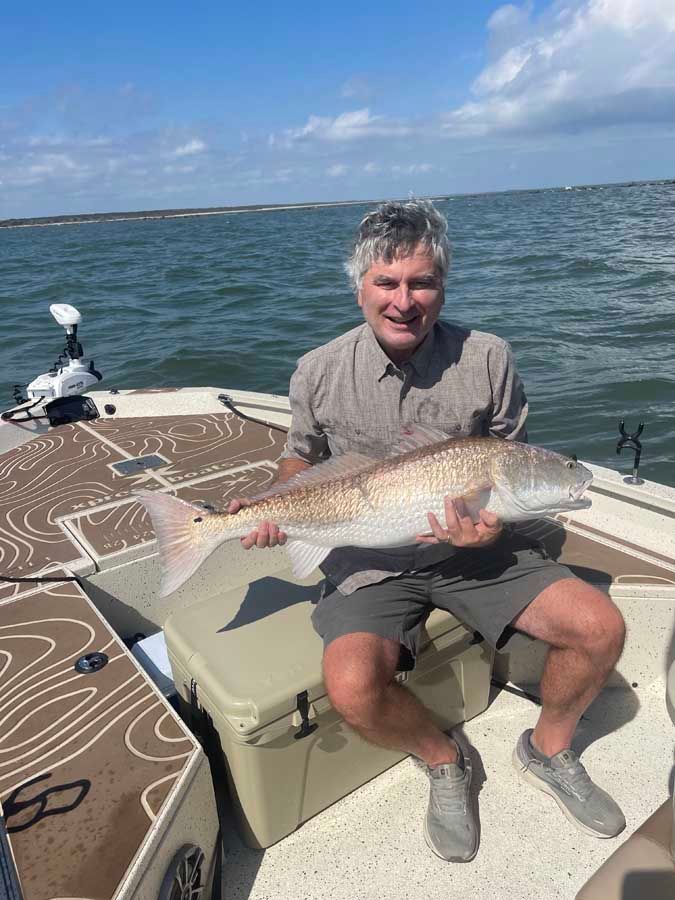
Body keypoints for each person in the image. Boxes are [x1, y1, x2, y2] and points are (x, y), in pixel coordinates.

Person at [228, 199, 626, 862]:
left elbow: (511, 454)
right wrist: (272, 504)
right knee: (352, 686)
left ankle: (548, 750)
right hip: (367, 556)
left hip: (478, 549)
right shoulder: (317, 369)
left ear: (443, 285)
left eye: (422, 283)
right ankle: (444, 760)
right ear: (359, 286)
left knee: (600, 628)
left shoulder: (488, 356)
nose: (403, 300)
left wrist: (491, 528)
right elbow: (300, 457)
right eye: (386, 282)